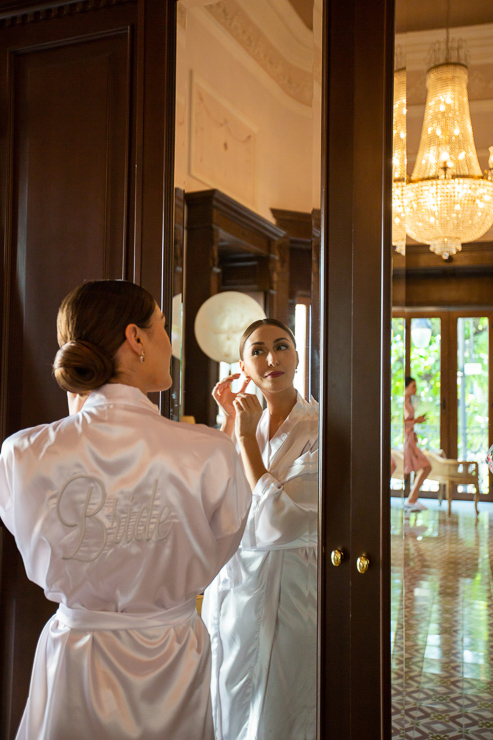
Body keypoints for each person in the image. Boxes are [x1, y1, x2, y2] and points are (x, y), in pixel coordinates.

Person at [0, 280, 251, 740]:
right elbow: (223, 545)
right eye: (163, 328)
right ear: (136, 338)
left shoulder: (23, 453)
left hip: (76, 656)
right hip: (170, 659)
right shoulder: (209, 453)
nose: (170, 345)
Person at [202, 318, 318, 740]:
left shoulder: (318, 427)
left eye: (282, 346)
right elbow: (214, 504)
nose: (272, 358)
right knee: (228, 698)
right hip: (234, 589)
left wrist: (249, 442)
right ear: (242, 368)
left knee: (281, 705)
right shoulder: (240, 425)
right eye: (257, 351)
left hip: (292, 587)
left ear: (298, 356)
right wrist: (231, 425)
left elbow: (278, 524)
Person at [404, 375, 432, 511]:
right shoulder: (403, 403)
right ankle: (411, 499)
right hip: (407, 441)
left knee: (426, 466)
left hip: (411, 440)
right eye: (413, 386)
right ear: (406, 388)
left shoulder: (409, 402)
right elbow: (402, 423)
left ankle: (412, 499)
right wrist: (416, 421)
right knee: (426, 466)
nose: (415, 389)